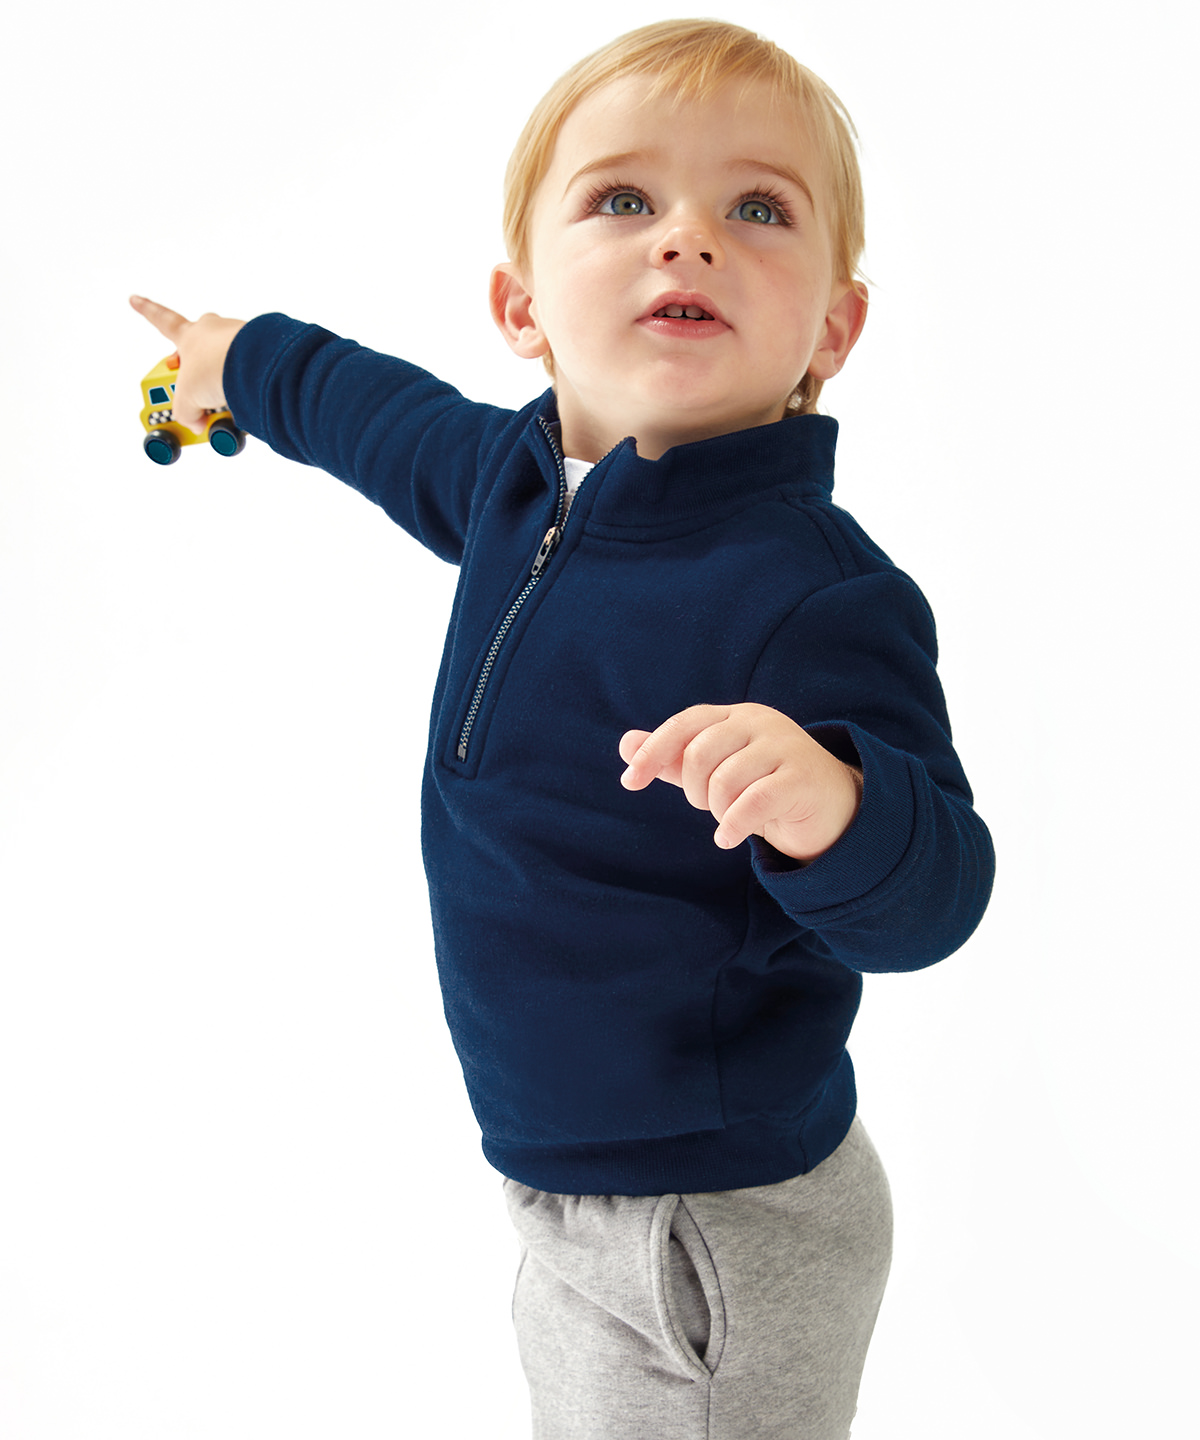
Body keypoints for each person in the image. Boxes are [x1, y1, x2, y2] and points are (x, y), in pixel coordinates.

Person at [130, 18, 993, 1439]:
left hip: (717, 1220)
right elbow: (373, 414)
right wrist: (239, 358)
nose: (689, 238)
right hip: (568, 1182)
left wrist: (836, 803)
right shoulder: (515, 488)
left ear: (833, 331)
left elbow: (940, 893)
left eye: (758, 209)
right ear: (522, 305)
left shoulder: (815, 593)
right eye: (626, 199)